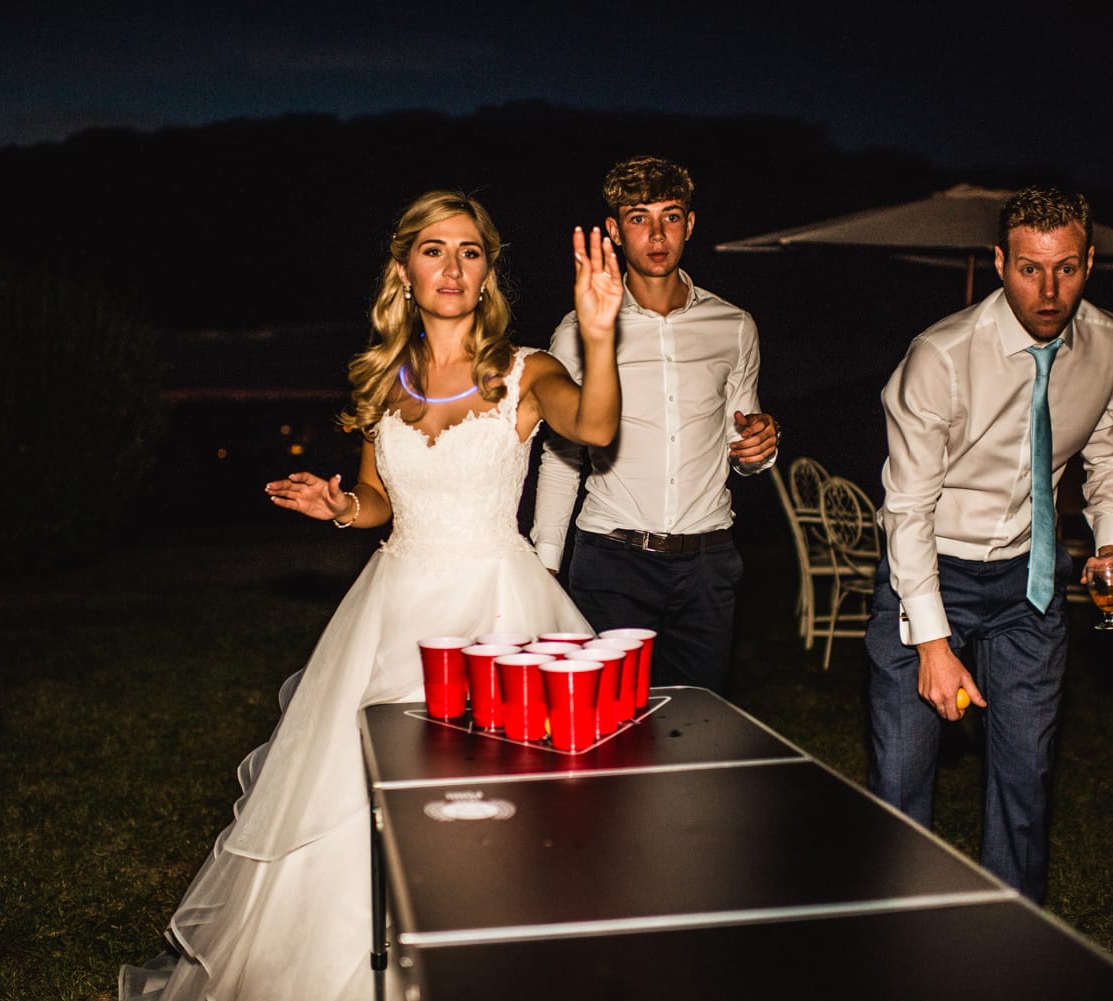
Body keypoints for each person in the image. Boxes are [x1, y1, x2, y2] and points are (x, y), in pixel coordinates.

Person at [119, 190, 622, 1000]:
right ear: (403, 269)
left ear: (488, 271)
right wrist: (342, 507)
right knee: (357, 802)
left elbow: (595, 429)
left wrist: (597, 335)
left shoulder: (526, 370)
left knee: (494, 804)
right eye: (433, 249)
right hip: (393, 609)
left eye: (468, 250)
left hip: (499, 607)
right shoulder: (381, 380)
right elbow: (378, 497)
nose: (451, 267)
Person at [865, 185, 1113, 904]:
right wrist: (932, 643)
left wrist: (1111, 545)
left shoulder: (1110, 345)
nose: (1048, 291)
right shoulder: (940, 356)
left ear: (1090, 260)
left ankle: (1011, 949)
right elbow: (909, 508)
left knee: (1026, 781)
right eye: (1028, 268)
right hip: (930, 570)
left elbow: (1109, 460)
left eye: (1066, 269)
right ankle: (897, 941)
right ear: (998, 261)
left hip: (1033, 578)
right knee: (900, 782)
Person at [531, 155, 778, 695]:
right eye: (640, 218)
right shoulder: (579, 330)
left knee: (699, 724)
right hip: (612, 560)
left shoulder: (734, 326)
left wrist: (761, 449)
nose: (657, 234)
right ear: (616, 232)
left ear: (690, 225)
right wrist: (545, 563)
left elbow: (743, 437)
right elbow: (561, 456)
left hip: (709, 563)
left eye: (671, 216)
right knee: (607, 726)